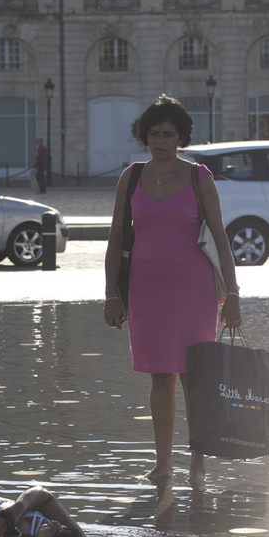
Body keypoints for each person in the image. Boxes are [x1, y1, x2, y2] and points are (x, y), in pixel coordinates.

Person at [103, 94, 241, 490]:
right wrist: (112, 294)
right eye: (153, 134)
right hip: (146, 289)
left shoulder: (200, 178)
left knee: (194, 379)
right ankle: (163, 463)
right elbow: (115, 241)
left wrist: (232, 294)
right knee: (159, 378)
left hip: (194, 290)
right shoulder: (131, 177)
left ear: (181, 138)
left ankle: (198, 463)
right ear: (144, 137)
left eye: (168, 134)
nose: (160, 140)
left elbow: (220, 238)